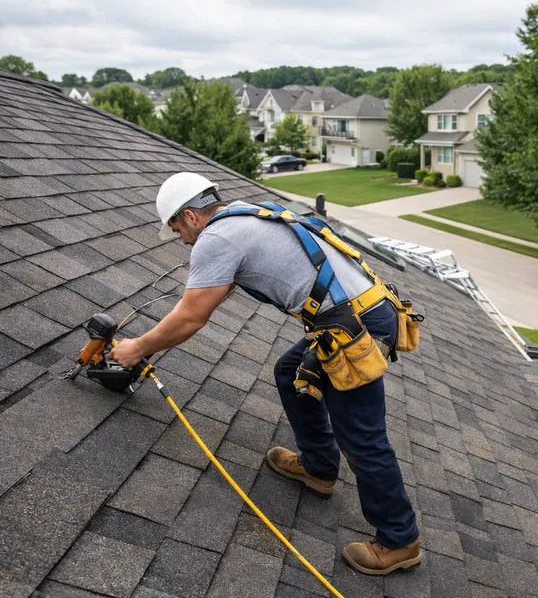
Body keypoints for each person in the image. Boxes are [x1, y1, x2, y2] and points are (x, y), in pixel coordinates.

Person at [109, 172, 421, 575]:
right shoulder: (245, 215)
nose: (182, 240)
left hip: (353, 327)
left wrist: (136, 348)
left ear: (189, 216)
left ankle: (400, 541)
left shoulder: (217, 238)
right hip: (359, 312)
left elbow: (190, 318)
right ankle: (318, 468)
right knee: (291, 372)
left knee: (363, 438)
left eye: (176, 230)